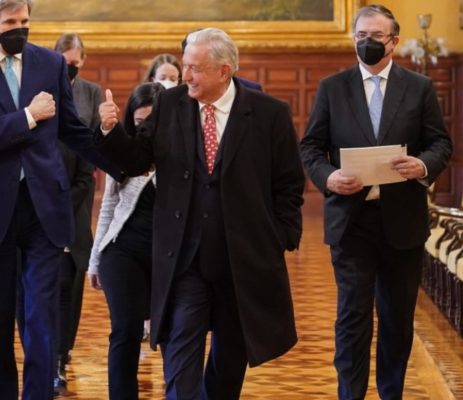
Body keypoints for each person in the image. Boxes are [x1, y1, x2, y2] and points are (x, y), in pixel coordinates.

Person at [97, 28, 304, 399]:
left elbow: (289, 183)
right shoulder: (171, 104)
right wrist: (111, 131)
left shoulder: (270, 114)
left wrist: (281, 236)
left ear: (224, 71)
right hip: (185, 261)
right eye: (185, 66)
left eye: (194, 68)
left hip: (242, 261)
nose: (186, 75)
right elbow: (137, 161)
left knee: (229, 362)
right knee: (180, 354)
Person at [0, 1, 121, 398]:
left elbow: (73, 131)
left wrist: (115, 153)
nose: (20, 29)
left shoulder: (49, 64)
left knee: (42, 315)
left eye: (25, 21)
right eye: (11, 23)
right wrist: (27, 116)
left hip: (44, 207)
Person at [300, 5, 452, 399]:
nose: (366, 43)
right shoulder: (333, 88)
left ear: (394, 42)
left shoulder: (417, 87)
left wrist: (421, 164)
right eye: (360, 36)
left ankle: (391, 394)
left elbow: (441, 143)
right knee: (352, 319)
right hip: (351, 222)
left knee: (397, 320)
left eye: (375, 36)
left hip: (402, 222)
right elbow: (311, 148)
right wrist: (328, 177)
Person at [88, 82, 163, 399]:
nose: (144, 129)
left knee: (173, 333)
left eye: (151, 122)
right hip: (122, 252)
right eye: (138, 121)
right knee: (126, 330)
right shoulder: (124, 152)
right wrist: (94, 261)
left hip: (167, 255)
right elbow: (107, 208)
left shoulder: (182, 153)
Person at [50, 32, 101, 394]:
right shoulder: (38, 101)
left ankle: (61, 355)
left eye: (76, 61)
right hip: (38, 212)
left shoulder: (91, 93)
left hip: (75, 207)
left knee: (70, 287)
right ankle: (49, 355)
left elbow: (90, 158)